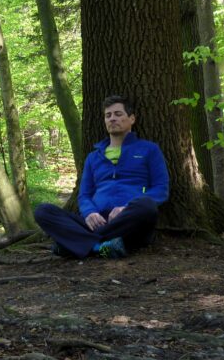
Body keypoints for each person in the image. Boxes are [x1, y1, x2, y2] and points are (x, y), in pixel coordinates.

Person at [35, 95, 169, 258]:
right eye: (108, 115)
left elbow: (161, 189)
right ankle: (100, 247)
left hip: (130, 221)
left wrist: (126, 207)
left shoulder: (149, 149)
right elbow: (84, 194)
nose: (112, 119)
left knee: (147, 206)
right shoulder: (93, 157)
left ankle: (79, 244)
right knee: (43, 211)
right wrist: (90, 212)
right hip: (96, 222)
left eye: (118, 114)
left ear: (132, 119)